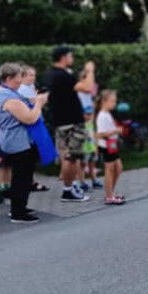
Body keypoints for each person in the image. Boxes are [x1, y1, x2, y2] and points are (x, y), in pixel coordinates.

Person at [0, 63, 48, 224]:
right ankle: (18, 212)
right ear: (9, 78)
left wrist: (36, 99)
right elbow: (30, 118)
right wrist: (39, 104)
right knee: (21, 177)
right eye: (18, 77)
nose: (21, 80)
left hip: (16, 140)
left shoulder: (8, 93)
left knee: (23, 175)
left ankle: (19, 207)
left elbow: (27, 102)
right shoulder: (9, 98)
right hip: (17, 142)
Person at [41, 46, 94, 203]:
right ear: (63, 57)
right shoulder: (64, 75)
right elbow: (87, 88)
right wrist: (90, 71)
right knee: (71, 158)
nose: (72, 58)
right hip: (72, 121)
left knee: (66, 156)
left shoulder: (49, 75)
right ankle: (68, 190)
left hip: (59, 121)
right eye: (70, 55)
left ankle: (71, 186)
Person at [95, 89, 125, 205]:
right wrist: (116, 131)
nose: (114, 104)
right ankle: (109, 195)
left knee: (118, 168)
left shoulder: (107, 114)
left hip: (112, 145)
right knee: (109, 169)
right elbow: (100, 133)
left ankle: (111, 192)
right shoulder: (102, 116)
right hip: (107, 145)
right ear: (104, 101)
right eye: (112, 101)